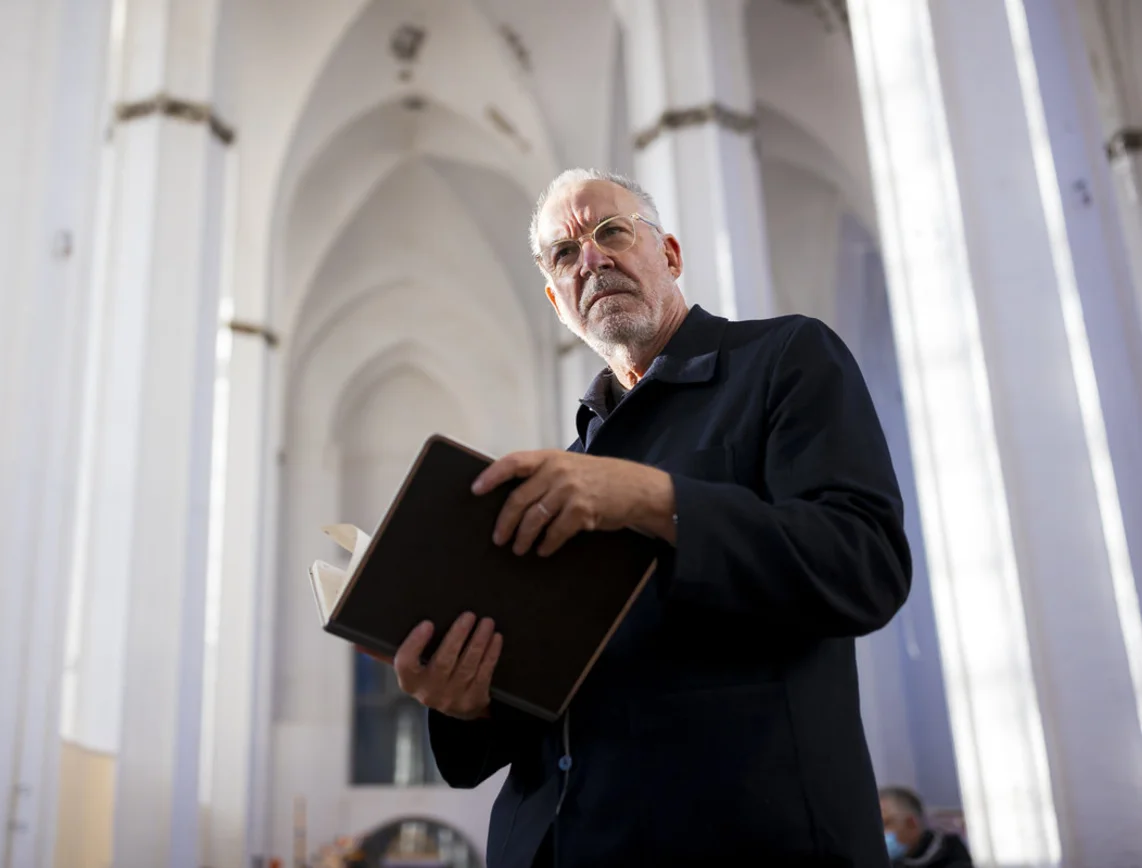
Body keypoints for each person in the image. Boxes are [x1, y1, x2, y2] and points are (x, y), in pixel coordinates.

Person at [382, 168, 913, 866]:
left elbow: (864, 562)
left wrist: (647, 498)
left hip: (741, 837)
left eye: (610, 232)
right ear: (557, 301)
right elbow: (545, 694)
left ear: (669, 255)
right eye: (565, 255)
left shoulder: (781, 359)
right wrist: (464, 701)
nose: (591, 259)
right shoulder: (567, 469)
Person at [880, 787, 973, 868]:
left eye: (885, 824)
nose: (880, 834)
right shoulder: (889, 862)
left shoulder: (951, 853)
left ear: (911, 824)